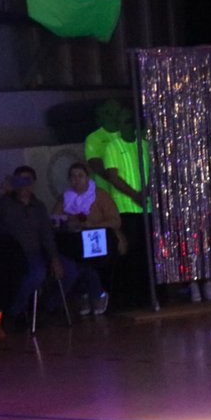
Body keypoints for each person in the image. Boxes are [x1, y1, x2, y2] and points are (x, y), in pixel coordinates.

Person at [0, 165, 99, 325]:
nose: (24, 185)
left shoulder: (39, 206)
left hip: (39, 253)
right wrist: (1, 191)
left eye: (28, 180)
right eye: (20, 180)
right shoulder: (4, 202)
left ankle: (49, 305)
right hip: (14, 254)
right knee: (37, 273)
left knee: (70, 269)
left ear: (33, 183)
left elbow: (46, 234)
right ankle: (15, 311)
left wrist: (54, 257)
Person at [85, 99, 150, 306]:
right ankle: (121, 295)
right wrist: (133, 194)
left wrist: (145, 192)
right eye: (112, 113)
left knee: (145, 251)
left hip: (144, 205)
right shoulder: (102, 142)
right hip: (116, 204)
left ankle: (147, 293)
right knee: (123, 250)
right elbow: (105, 171)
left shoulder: (143, 143)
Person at [53, 162, 121, 315]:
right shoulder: (65, 198)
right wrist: (67, 223)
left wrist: (94, 225)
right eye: (73, 177)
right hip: (75, 241)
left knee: (89, 261)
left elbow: (115, 221)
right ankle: (86, 292)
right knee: (72, 259)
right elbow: (55, 219)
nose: (76, 180)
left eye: (80, 176)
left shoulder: (100, 195)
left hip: (99, 240)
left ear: (87, 177)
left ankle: (97, 293)